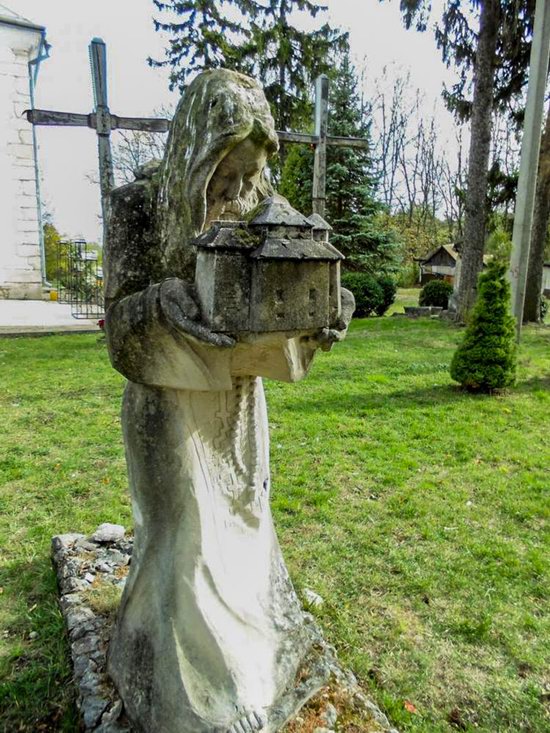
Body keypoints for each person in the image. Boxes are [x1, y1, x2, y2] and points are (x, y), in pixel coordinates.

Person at [103, 69, 353, 733]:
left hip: (238, 407)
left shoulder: (263, 208)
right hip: (169, 411)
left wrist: (320, 314)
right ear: (196, 159)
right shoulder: (136, 206)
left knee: (244, 528)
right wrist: (162, 303)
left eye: (250, 176)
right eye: (225, 176)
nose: (241, 193)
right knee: (187, 548)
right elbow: (119, 327)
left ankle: (251, 672)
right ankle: (191, 698)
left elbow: (286, 287)